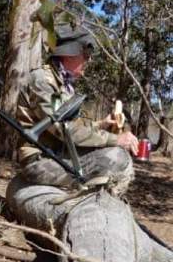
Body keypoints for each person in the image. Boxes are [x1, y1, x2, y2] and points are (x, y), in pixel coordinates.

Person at [16, 22, 139, 196]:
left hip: (57, 154)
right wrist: (115, 139)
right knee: (117, 157)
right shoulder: (42, 81)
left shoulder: (60, 84)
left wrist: (102, 124)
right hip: (40, 162)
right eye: (86, 54)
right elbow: (64, 130)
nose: (87, 60)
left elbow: (69, 125)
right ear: (70, 54)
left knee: (113, 153)